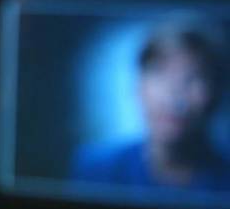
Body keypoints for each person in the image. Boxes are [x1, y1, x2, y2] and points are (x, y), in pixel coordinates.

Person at [73, 21, 230, 191]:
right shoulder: (96, 169)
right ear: (138, 88)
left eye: (192, 78)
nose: (174, 98)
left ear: (217, 92)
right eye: (160, 74)